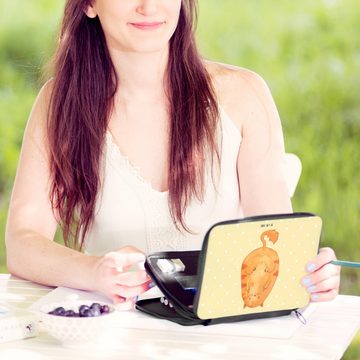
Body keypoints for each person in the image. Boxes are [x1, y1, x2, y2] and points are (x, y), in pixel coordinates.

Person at [5, 0, 340, 307]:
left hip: (225, 333)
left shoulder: (243, 96)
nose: (149, 7)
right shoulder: (61, 103)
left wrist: (312, 272)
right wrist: (94, 270)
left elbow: (279, 244)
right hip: (113, 332)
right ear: (90, 5)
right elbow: (22, 244)